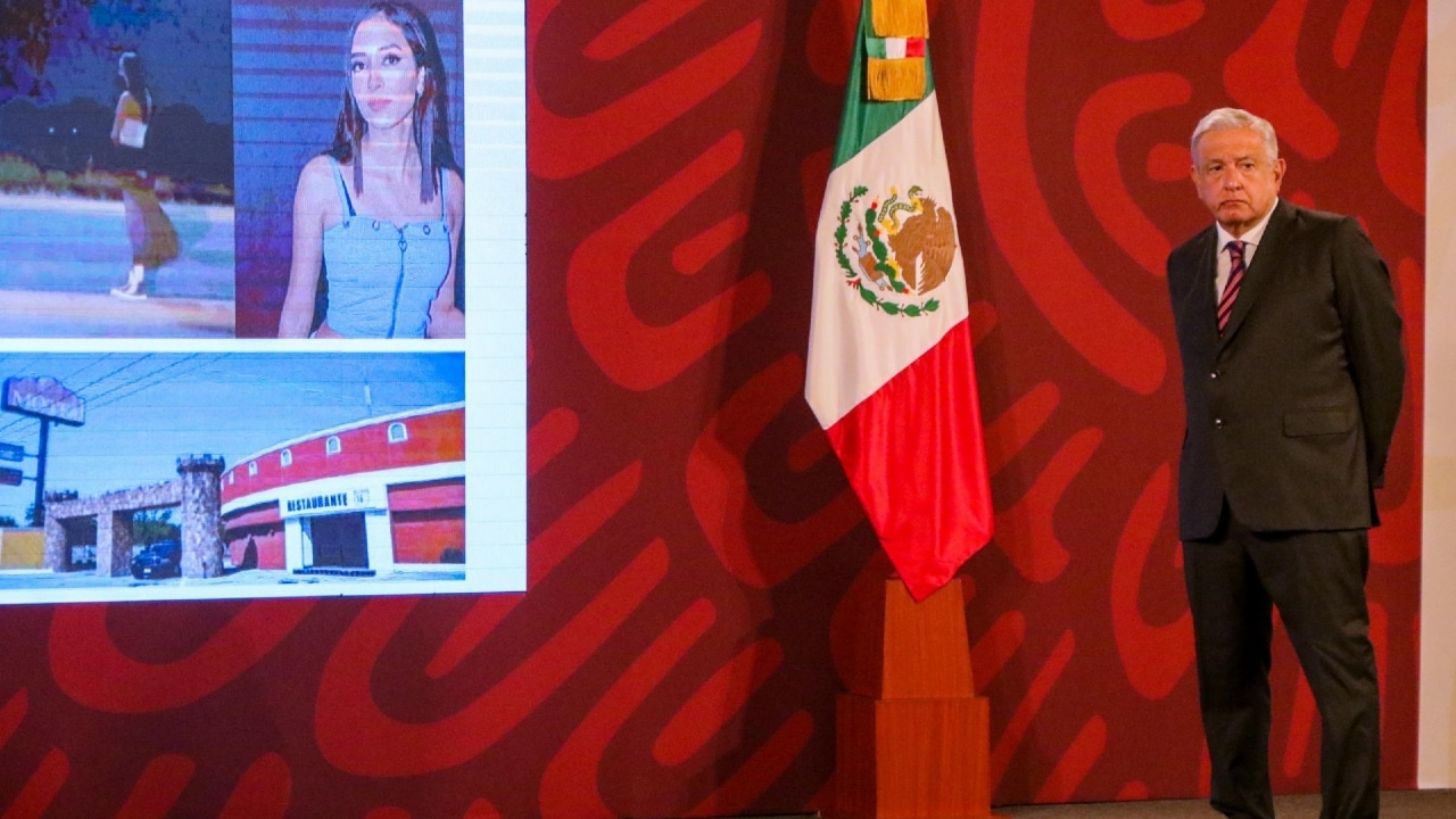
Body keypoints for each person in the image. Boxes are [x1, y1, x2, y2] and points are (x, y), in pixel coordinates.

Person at [1166, 107, 1404, 819]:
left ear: (1277, 172)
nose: (1231, 180)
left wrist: (1350, 476)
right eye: (1215, 168)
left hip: (1313, 499)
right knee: (1227, 684)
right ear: (1195, 180)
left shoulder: (1332, 241)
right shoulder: (1184, 262)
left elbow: (1382, 368)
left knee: (1341, 683)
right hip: (1213, 508)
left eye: (1245, 165)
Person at [277, 0, 464, 338]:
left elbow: (440, 314)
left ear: (421, 77)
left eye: (390, 60)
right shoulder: (322, 180)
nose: (372, 81)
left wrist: (511, 343)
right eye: (360, 65)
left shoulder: (450, 189)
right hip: (333, 369)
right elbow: (297, 310)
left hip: (410, 371)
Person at [109, 50, 178, 299]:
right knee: (141, 226)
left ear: (126, 71)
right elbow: (141, 135)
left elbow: (117, 135)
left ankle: (137, 285)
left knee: (136, 228)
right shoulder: (145, 97)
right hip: (142, 167)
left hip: (130, 168)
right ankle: (135, 280)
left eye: (121, 67)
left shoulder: (127, 98)